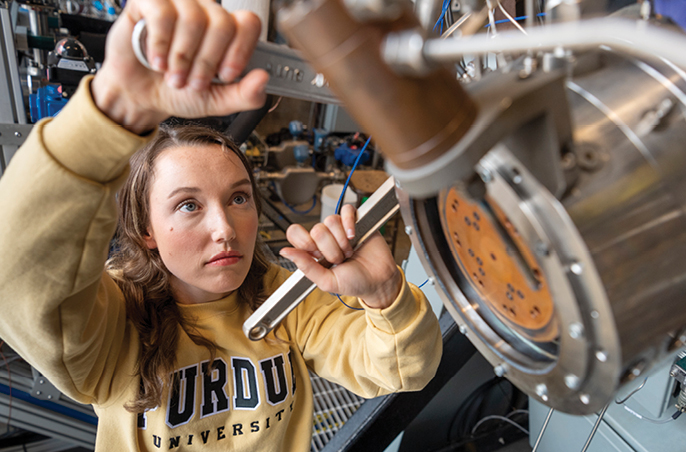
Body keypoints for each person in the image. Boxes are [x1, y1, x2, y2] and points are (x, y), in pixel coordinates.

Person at [0, 0, 442, 450]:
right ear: (146, 229)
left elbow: (402, 370)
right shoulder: (116, 321)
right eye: (188, 205)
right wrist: (113, 110)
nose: (225, 229)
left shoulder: (282, 298)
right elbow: (17, 273)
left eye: (238, 198)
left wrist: (386, 294)